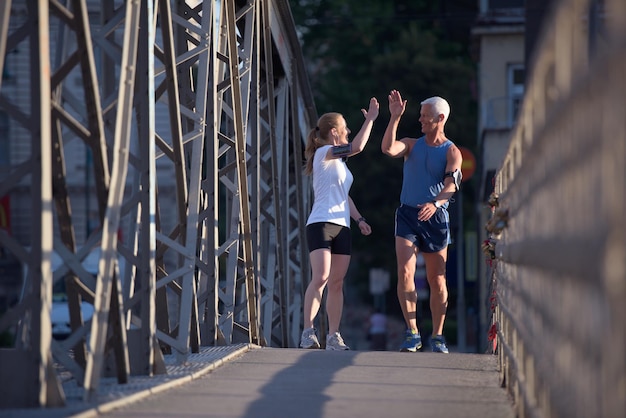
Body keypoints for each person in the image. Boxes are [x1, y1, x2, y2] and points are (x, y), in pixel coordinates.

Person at [381, 90, 462, 353]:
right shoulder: (411, 144)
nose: (420, 120)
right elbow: (388, 149)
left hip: (435, 218)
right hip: (407, 215)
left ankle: (437, 336)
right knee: (405, 271)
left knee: (436, 279)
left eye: (425, 117)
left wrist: (436, 203)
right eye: (419, 116)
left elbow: (452, 185)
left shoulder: (452, 151)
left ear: (440, 118)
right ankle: (412, 333)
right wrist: (394, 117)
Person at [299, 97, 379, 350]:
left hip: (342, 225)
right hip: (321, 222)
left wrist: (360, 219)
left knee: (336, 282)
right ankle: (308, 332)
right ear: (334, 133)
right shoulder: (323, 153)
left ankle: (333, 335)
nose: (349, 132)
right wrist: (370, 120)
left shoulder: (341, 166)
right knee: (321, 276)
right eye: (345, 128)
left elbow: (344, 196)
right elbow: (356, 147)